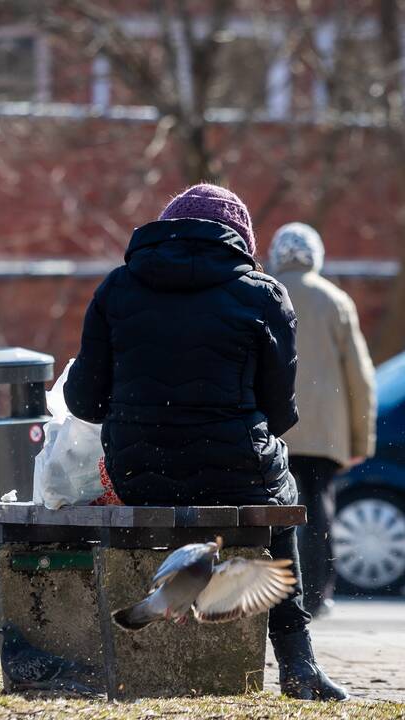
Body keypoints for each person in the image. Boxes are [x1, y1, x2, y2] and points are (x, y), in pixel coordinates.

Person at [64, 183, 347, 701]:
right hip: (236, 469)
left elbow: (83, 402)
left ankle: (100, 647)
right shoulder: (262, 294)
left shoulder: (116, 289)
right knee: (280, 492)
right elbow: (280, 414)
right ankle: (297, 661)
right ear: (240, 238)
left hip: (136, 467)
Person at [269, 222, 376, 617]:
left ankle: (281, 592)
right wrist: (360, 440)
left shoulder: (265, 292)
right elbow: (360, 377)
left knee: (277, 511)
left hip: (276, 428)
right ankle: (317, 594)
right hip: (326, 435)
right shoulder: (336, 301)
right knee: (319, 510)